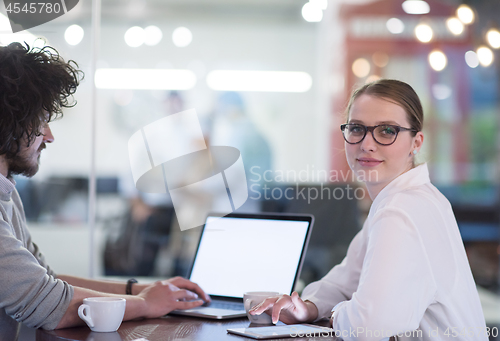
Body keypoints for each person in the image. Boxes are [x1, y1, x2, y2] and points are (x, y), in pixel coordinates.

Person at [0, 42, 210, 340]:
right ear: (7, 122)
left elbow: (46, 280)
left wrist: (141, 290)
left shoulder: (8, 193)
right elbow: (47, 303)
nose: (49, 135)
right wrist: (146, 304)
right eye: (40, 121)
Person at [250, 79, 488, 340]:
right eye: (356, 129)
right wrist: (308, 308)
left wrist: (335, 314)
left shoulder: (402, 210)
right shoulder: (400, 200)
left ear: (416, 143)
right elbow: (345, 279)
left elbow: (368, 326)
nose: (367, 144)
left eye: (387, 130)